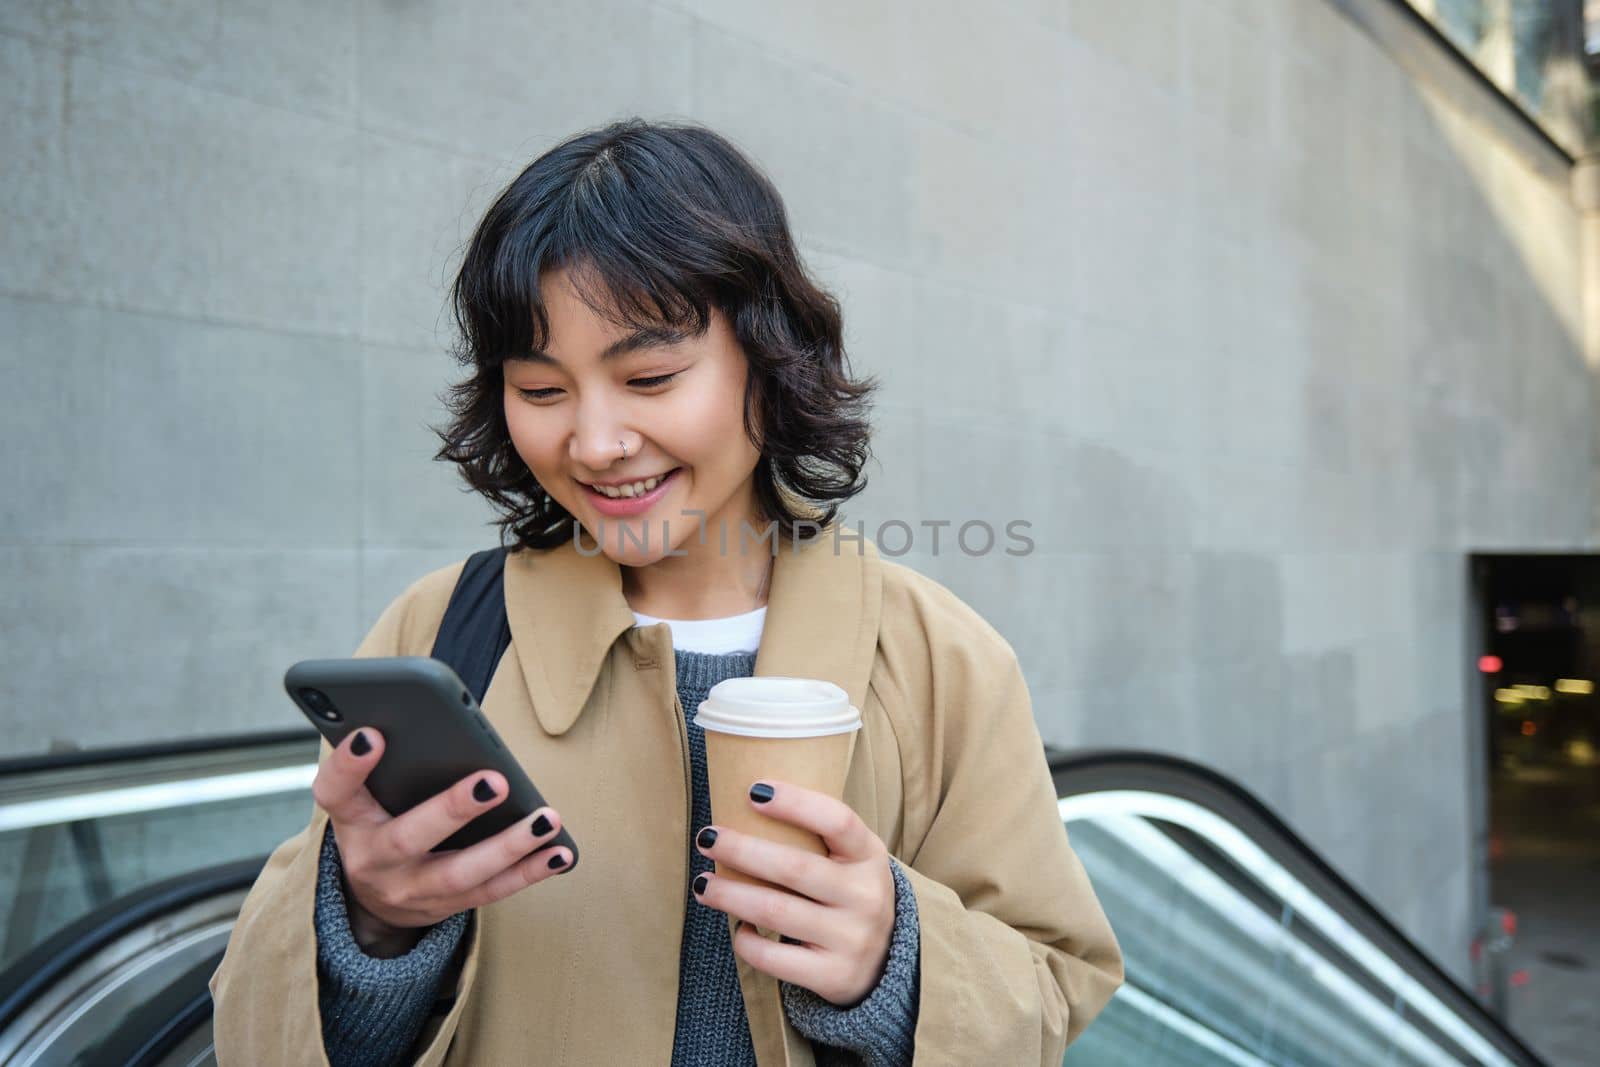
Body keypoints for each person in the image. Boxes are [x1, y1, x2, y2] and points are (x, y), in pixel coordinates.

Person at [209, 118, 1123, 1066]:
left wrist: (893, 962)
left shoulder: (941, 658)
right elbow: (266, 1032)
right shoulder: (440, 630)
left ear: (769, 359)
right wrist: (370, 925)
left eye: (649, 376)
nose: (596, 442)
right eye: (542, 389)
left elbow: (1055, 992)